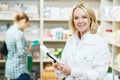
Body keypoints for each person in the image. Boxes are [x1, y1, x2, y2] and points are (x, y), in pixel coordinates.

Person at [53, 2, 110, 80]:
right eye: (76, 18)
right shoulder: (71, 40)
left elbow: (99, 75)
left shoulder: (100, 42)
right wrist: (59, 68)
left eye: (84, 17)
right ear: (73, 21)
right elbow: (62, 74)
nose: (80, 21)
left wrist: (72, 71)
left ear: (91, 19)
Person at [5, 12, 31, 80]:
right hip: (19, 71)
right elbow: (22, 52)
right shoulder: (19, 34)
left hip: (10, 68)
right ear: (23, 21)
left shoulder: (9, 31)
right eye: (26, 24)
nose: (26, 27)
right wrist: (29, 48)